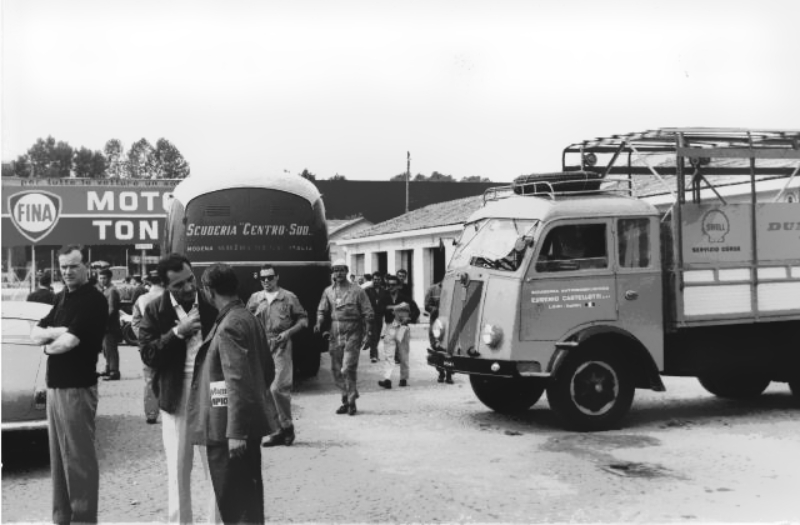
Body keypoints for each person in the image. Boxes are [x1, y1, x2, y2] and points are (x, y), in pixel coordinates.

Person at [138, 253, 220, 524]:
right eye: (179, 285)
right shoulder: (154, 310)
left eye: (190, 280)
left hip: (210, 390)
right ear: (165, 286)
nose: (188, 287)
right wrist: (177, 334)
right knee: (178, 467)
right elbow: (149, 355)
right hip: (176, 393)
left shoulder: (212, 303)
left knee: (217, 465)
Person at [189, 263, 273, 524]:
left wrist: (236, 431)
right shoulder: (247, 317)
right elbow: (267, 370)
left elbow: (236, 381)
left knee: (236, 505)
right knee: (248, 499)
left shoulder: (228, 325)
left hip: (228, 431)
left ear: (208, 290)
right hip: (241, 425)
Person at [31, 244, 108, 524]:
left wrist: (48, 344)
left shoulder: (93, 300)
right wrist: (57, 332)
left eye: (73, 266)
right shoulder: (62, 297)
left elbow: (70, 343)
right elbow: (35, 333)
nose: (67, 271)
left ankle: (83, 519)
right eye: (63, 266)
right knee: (59, 459)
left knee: (79, 460)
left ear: (86, 266)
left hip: (77, 386)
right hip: (55, 386)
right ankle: (62, 517)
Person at [247, 264, 308, 447]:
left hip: (281, 344)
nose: (266, 281)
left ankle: (287, 427)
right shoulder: (255, 298)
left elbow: (303, 319)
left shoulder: (288, 297)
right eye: (263, 278)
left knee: (278, 388)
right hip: (261, 345)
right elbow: (247, 319)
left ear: (277, 277)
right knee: (265, 390)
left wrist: (288, 333)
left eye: (270, 277)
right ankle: (277, 431)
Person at [314, 258, 374, 416]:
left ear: (347, 271)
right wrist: (319, 322)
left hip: (353, 331)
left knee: (348, 367)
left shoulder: (358, 291)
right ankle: (345, 399)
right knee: (336, 370)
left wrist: (368, 334)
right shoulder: (328, 291)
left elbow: (368, 313)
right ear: (332, 273)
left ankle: (352, 401)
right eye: (336, 270)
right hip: (335, 332)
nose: (338, 273)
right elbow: (322, 310)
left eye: (341, 270)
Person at [131, 270, 165, 424]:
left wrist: (143, 339)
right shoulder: (172, 297)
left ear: (149, 282)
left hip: (149, 346)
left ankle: (151, 413)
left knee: (150, 379)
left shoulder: (141, 299)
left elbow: (135, 322)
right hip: (171, 342)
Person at [377, 302, 412, 389]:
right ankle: (387, 379)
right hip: (391, 326)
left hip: (403, 327)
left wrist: (409, 318)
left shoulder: (405, 298)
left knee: (403, 355)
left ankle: (403, 378)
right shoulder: (385, 298)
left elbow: (415, 311)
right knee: (389, 355)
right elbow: (379, 310)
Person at [425, 280, 452, 384]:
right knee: (436, 348)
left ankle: (449, 374)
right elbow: (426, 305)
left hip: (449, 324)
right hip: (436, 324)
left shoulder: (454, 287)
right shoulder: (432, 290)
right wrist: (435, 309)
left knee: (449, 350)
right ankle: (441, 372)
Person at [97, 268, 122, 381]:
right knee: (106, 348)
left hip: (110, 325)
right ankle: (108, 368)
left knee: (110, 348)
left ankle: (114, 371)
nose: (102, 280)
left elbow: (111, 309)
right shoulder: (106, 290)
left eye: (104, 278)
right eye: (100, 278)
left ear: (110, 278)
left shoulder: (112, 291)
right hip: (105, 325)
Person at [363, 271, 388, 363]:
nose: (376, 281)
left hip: (379, 316)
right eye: (375, 279)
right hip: (370, 315)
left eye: (378, 279)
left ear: (381, 280)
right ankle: (373, 355)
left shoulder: (384, 291)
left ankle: (373, 350)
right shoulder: (367, 290)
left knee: (377, 335)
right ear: (372, 280)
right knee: (373, 334)